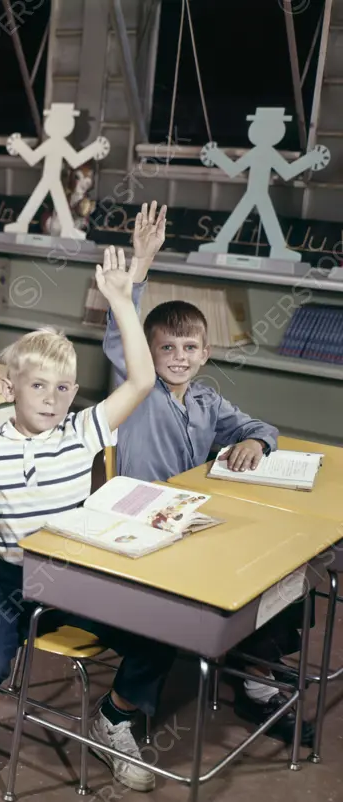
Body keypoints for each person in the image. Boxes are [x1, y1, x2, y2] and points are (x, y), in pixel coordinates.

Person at [0, 246, 174, 791]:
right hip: (14, 577)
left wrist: (121, 299)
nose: (52, 399)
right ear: (9, 388)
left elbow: (140, 380)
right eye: (38, 385)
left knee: (161, 638)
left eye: (63, 388)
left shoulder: (81, 433)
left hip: (78, 575)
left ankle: (114, 718)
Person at [104, 201, 313, 746]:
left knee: (276, 567)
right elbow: (121, 327)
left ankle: (256, 677)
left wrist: (251, 439)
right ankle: (126, 710)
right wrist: (141, 264)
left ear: (205, 354)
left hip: (190, 519)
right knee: (203, 593)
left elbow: (260, 425)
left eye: (188, 347)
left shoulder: (205, 401)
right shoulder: (140, 390)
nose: (177, 356)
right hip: (139, 521)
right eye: (164, 347)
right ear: (144, 353)